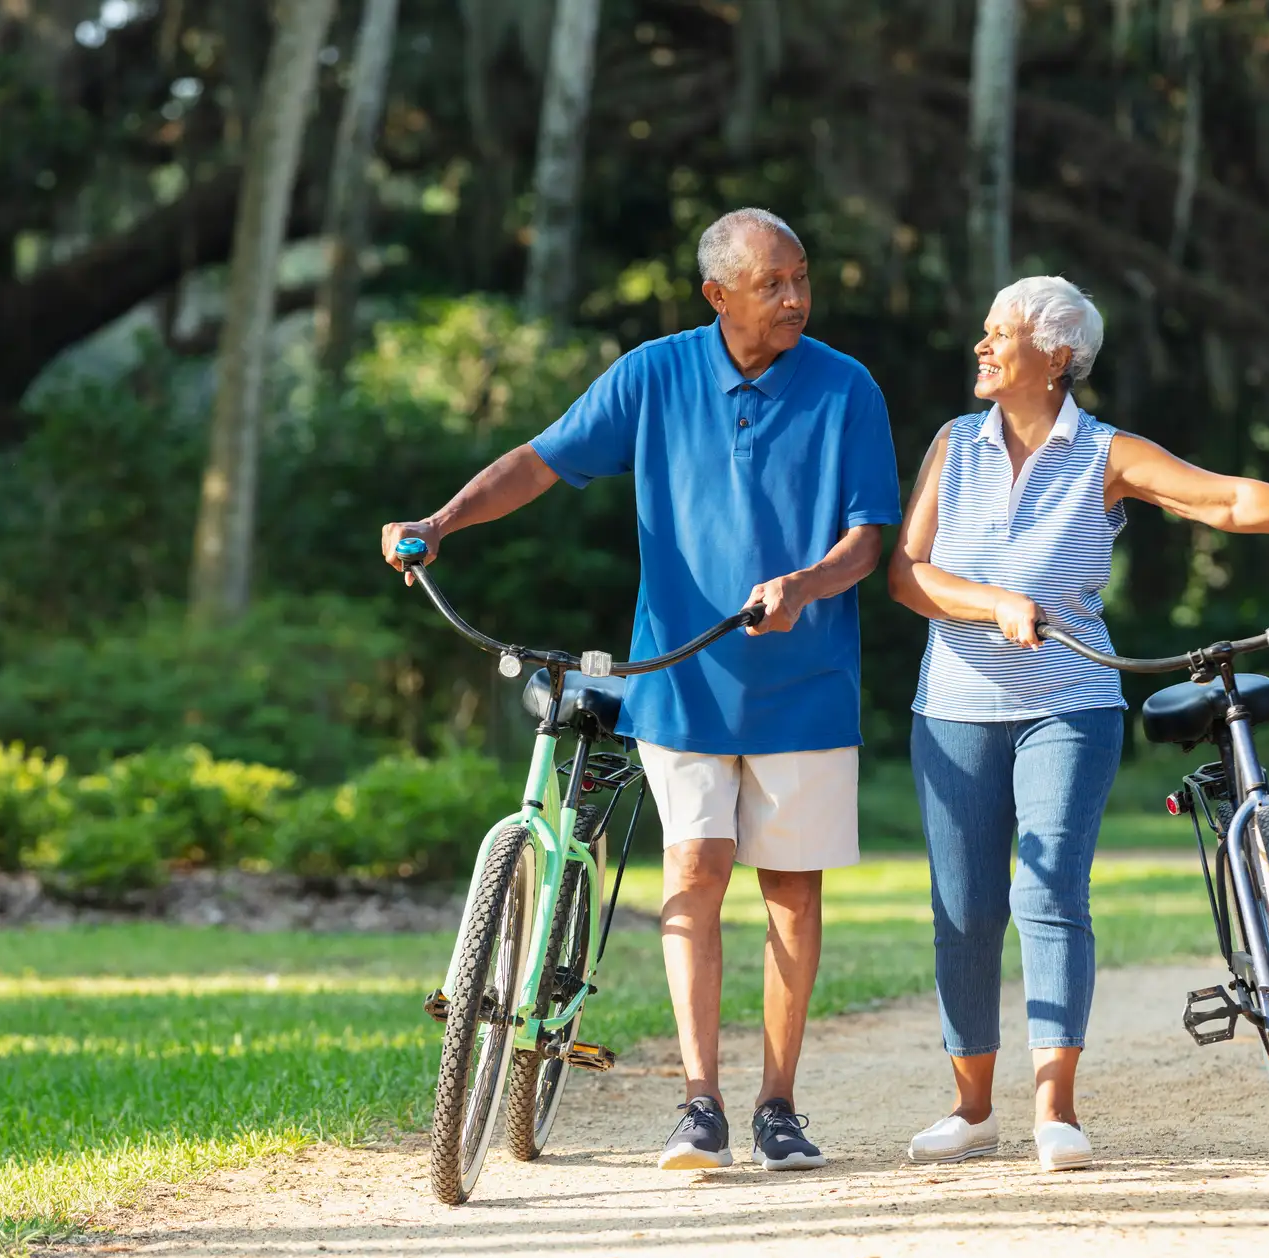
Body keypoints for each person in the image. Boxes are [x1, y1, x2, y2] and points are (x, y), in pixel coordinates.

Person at [382, 209, 900, 1173]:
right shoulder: (653, 374)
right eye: (772, 283)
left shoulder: (847, 388)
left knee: (790, 892)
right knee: (694, 871)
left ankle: (777, 1105)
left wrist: (805, 585)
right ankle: (698, 1101)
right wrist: (443, 519)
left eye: (802, 279)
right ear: (718, 296)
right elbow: (541, 459)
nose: (794, 298)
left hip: (807, 682)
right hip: (679, 677)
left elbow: (868, 538)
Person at [887, 275, 1269, 1173]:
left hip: (1068, 701)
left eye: (997, 332)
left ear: (1055, 357)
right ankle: (973, 1110)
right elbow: (907, 575)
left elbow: (1225, 500)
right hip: (955, 707)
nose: (979, 345)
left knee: (1046, 896)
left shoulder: (1105, 453)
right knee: (964, 911)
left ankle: (1057, 1111)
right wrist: (992, 602)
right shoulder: (954, 444)